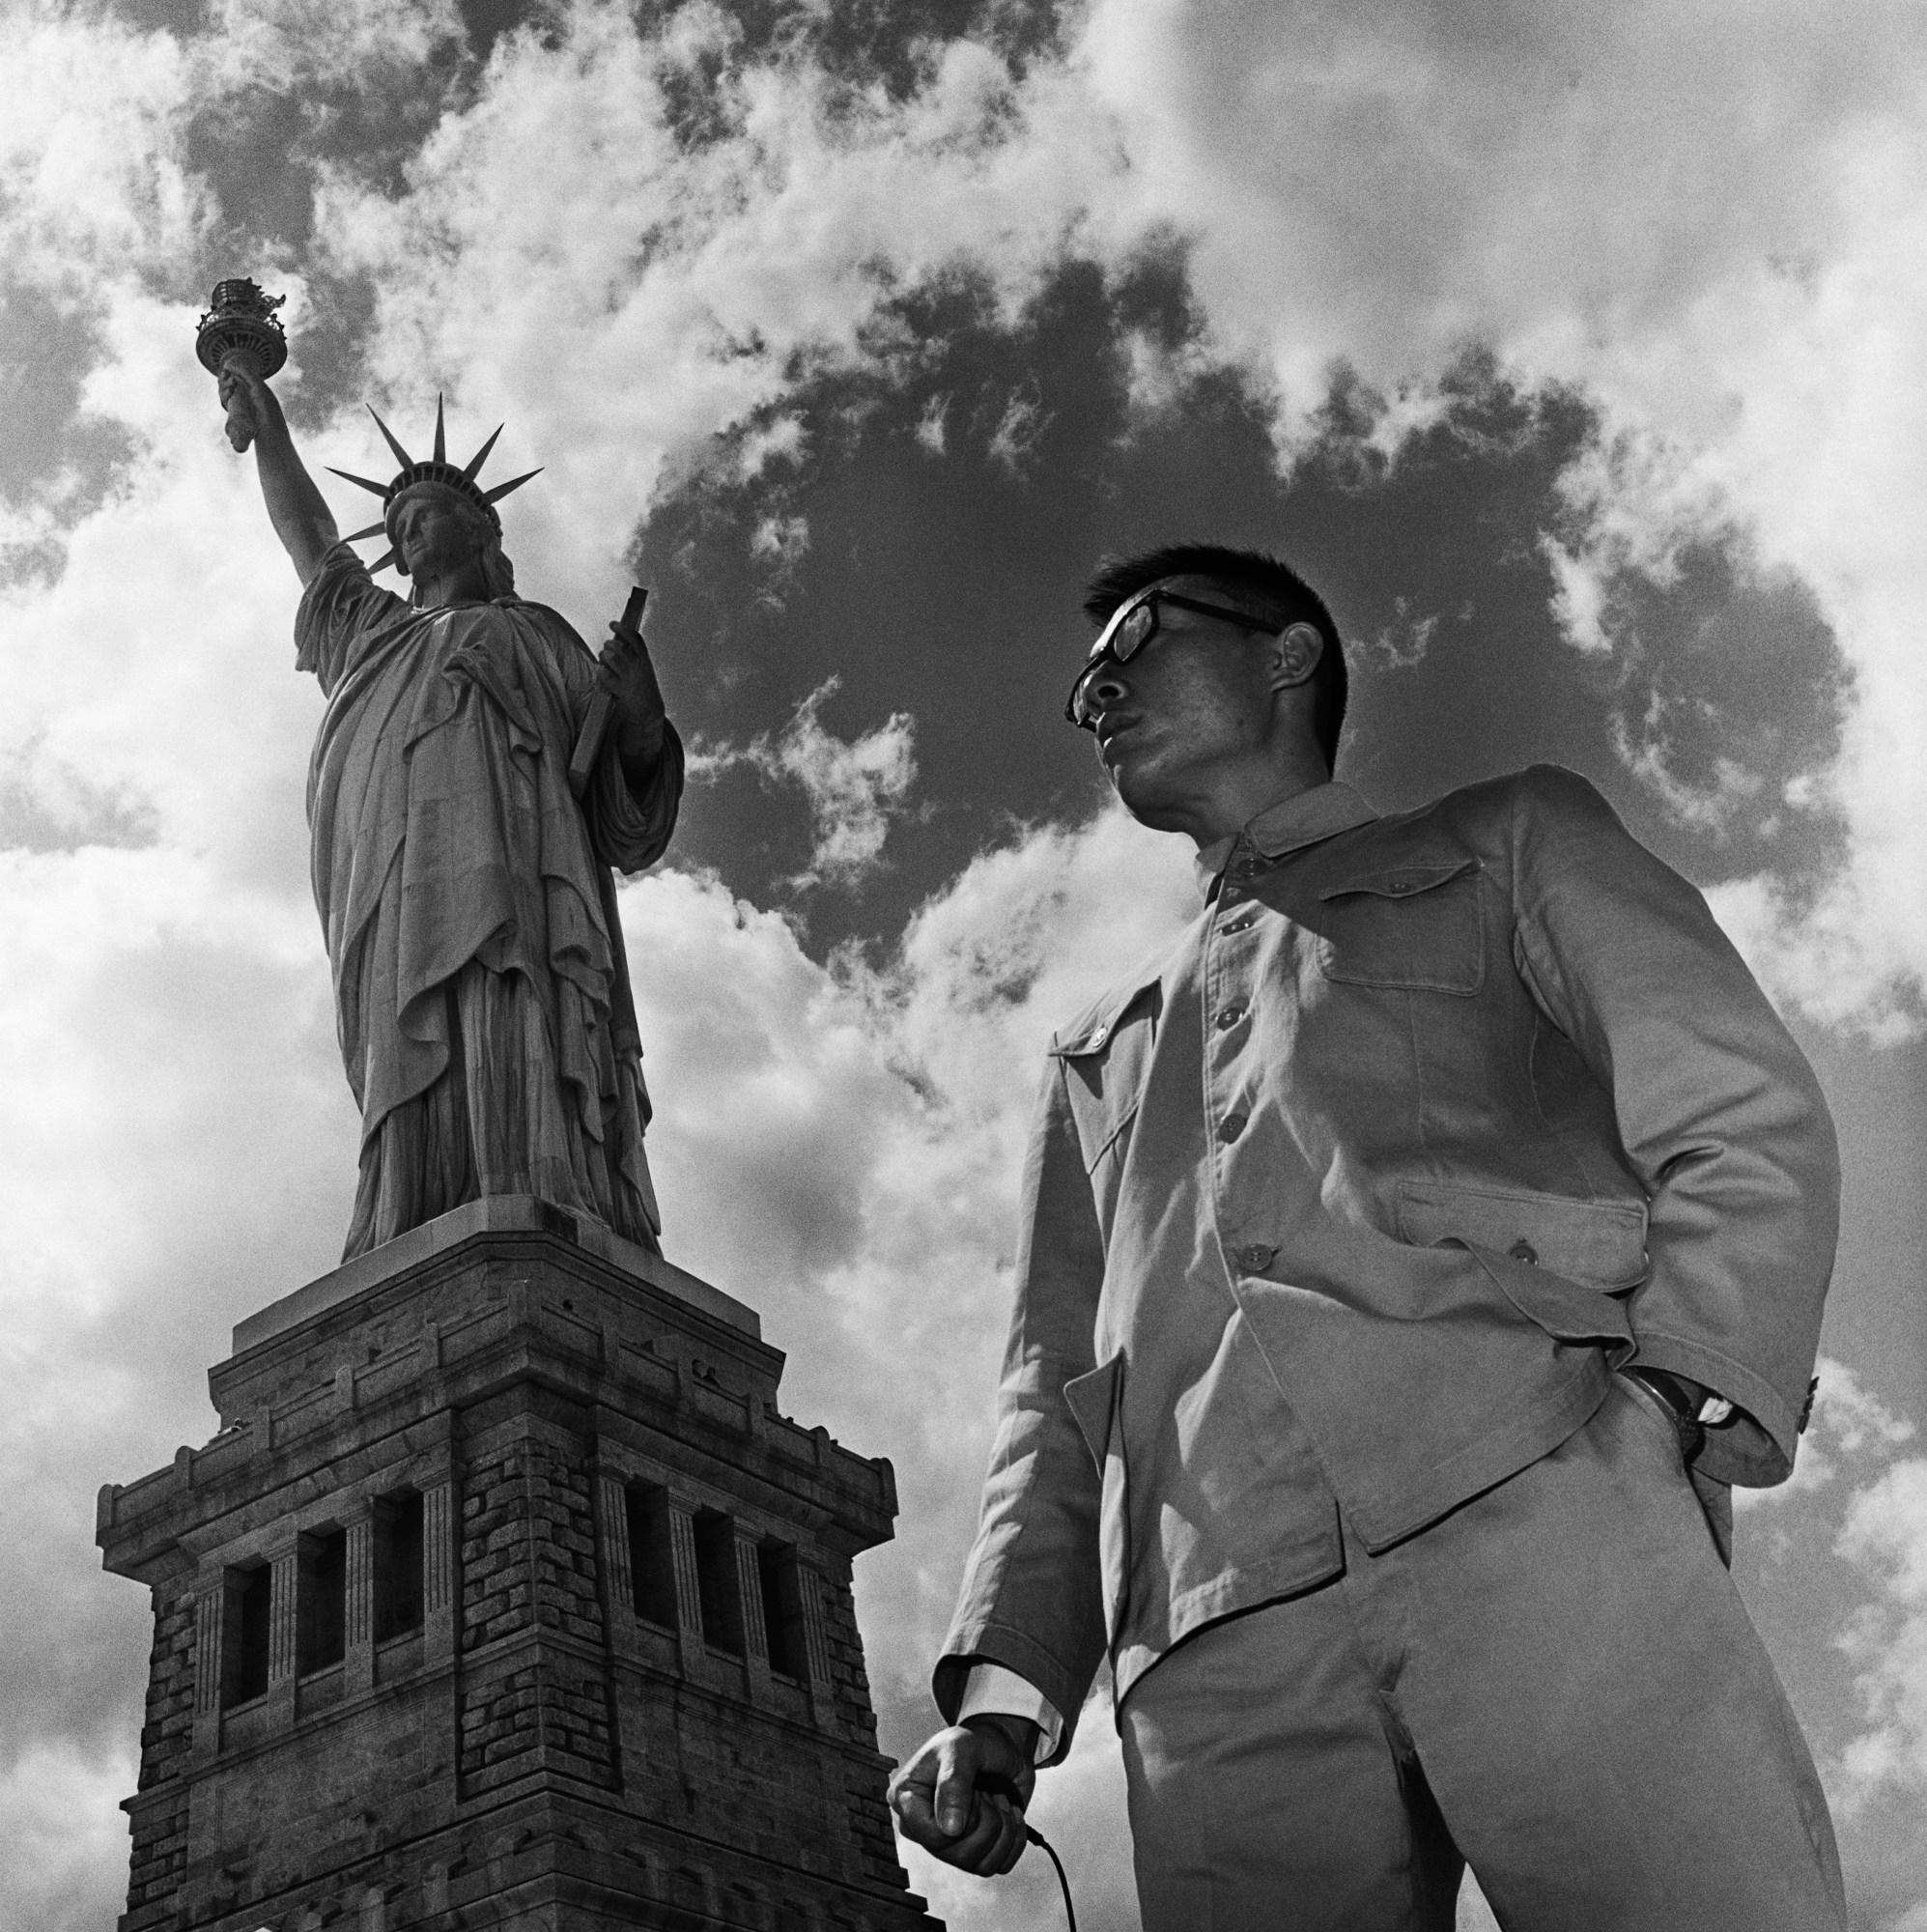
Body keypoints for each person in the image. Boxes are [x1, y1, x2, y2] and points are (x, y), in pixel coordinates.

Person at [889, 544, 1844, 1929]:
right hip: (1208, 1645)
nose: (1094, 696)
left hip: (1541, 1503)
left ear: (1287, 655)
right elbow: (1051, 1392)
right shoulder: (1096, 1062)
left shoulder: (1506, 837)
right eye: (1080, 686)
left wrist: (1670, 1394)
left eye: (1132, 643)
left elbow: (1734, 1104)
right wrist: (1000, 1695)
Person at [219, 362, 683, 1260]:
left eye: (421, 518)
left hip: (523, 880)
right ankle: (412, 1199)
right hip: (396, 885)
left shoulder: (537, 634)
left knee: (511, 1004)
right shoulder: (369, 632)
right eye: (393, 528)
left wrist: (641, 707)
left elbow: (623, 813)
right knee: (412, 1036)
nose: (404, 538)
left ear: (480, 528)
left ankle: (542, 1178)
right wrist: (269, 432)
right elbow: (310, 539)